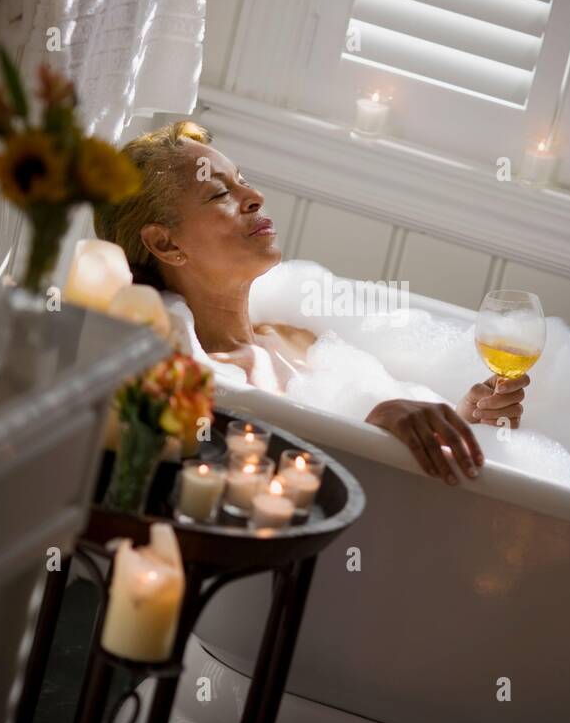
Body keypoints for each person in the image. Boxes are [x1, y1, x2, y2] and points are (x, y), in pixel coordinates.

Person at [94, 120, 529, 485]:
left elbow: (346, 415)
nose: (255, 197)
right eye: (220, 194)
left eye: (242, 180)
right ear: (166, 244)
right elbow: (274, 467)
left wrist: (463, 420)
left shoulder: (298, 337)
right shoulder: (194, 379)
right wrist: (373, 426)